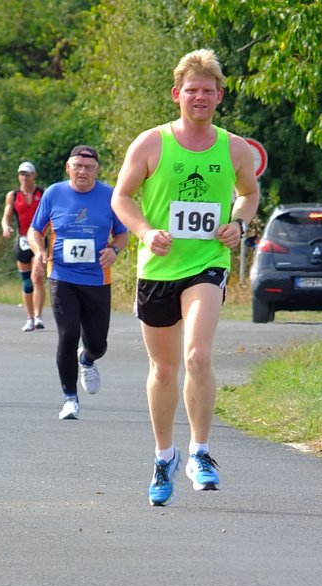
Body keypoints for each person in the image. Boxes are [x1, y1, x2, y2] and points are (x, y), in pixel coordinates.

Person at [111, 49, 260, 506]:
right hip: (157, 268)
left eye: (208, 91)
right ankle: (164, 456)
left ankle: (200, 452)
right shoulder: (151, 143)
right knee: (164, 368)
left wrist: (240, 222)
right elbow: (122, 197)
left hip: (206, 263)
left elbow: (249, 193)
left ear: (219, 96)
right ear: (177, 94)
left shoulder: (234, 147)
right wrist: (144, 230)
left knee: (196, 355)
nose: (199, 97)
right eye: (191, 90)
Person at [27, 146, 130, 420]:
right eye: (78, 166)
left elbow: (122, 235)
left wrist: (114, 251)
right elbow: (35, 229)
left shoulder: (110, 196)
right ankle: (69, 399)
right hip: (62, 276)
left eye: (89, 167)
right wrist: (39, 252)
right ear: (68, 168)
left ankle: (88, 359)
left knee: (97, 343)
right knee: (68, 333)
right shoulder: (53, 194)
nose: (83, 171)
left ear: (97, 170)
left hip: (97, 279)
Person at [1, 161, 47, 332]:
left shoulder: (43, 194)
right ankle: (29, 318)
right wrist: (6, 226)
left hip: (39, 240)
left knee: (38, 277)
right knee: (27, 282)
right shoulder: (13, 195)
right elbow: (6, 215)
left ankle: (38, 316)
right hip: (22, 240)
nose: (24, 178)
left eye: (27, 174)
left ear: (34, 175)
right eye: (21, 174)